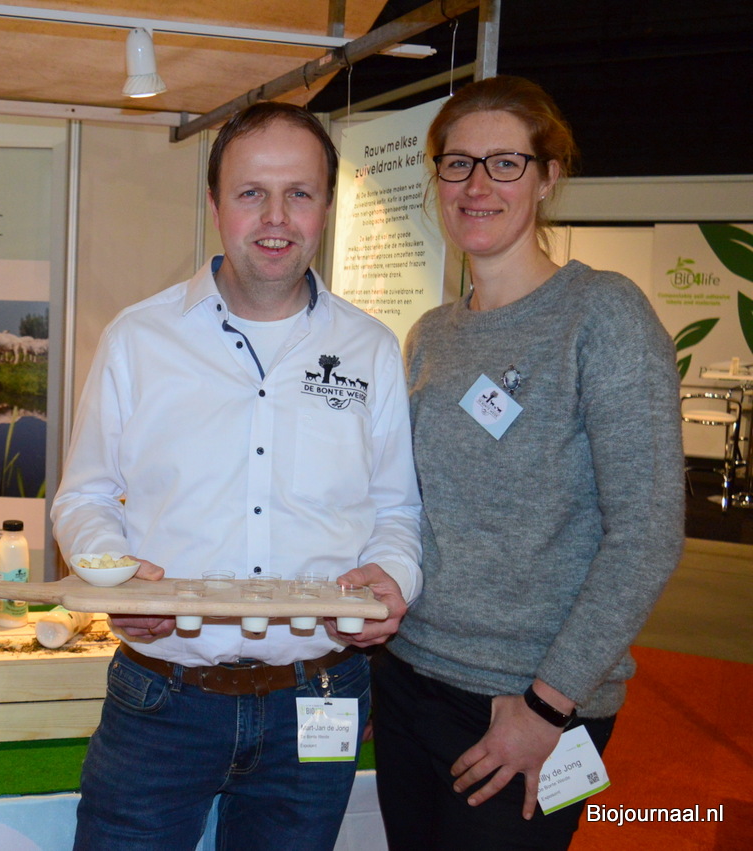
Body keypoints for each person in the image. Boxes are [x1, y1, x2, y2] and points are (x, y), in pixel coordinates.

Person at [51, 101, 422, 851]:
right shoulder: (139, 338)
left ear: (326, 206)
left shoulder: (371, 348)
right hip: (162, 695)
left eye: (299, 193)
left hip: (319, 695)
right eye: (252, 192)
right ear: (215, 203)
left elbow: (396, 510)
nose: (276, 218)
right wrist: (115, 574)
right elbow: (83, 497)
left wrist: (394, 576)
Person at [371, 75, 684, 851]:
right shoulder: (430, 336)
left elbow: (646, 531)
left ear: (547, 177)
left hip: (531, 702)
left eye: (505, 162)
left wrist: (548, 705)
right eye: (457, 163)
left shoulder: (602, 314)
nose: (477, 185)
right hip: (408, 679)